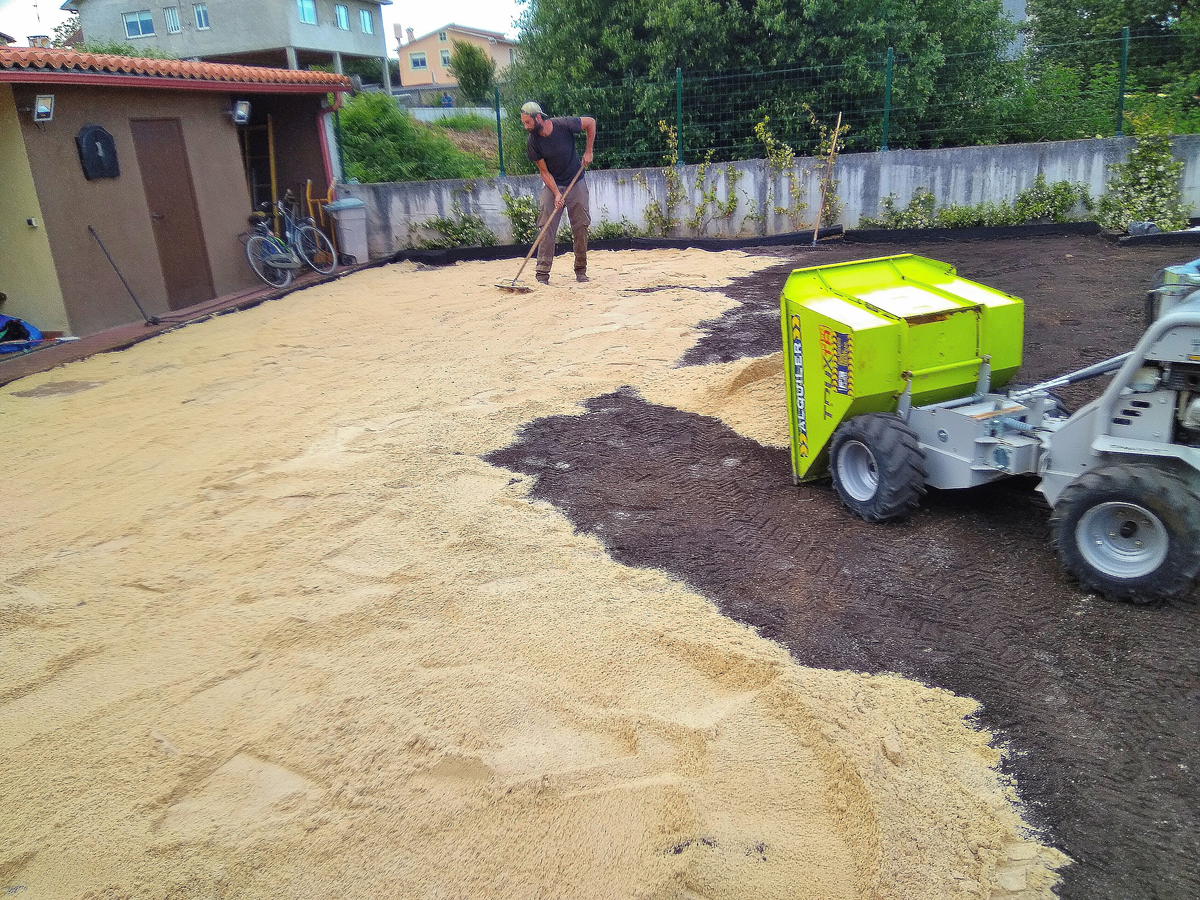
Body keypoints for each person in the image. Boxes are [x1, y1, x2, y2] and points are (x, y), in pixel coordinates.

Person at [520, 101, 596, 284]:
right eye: (524, 123)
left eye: (528, 122)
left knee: (581, 226)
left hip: (576, 181)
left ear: (538, 118)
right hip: (553, 184)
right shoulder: (533, 142)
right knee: (546, 225)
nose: (526, 127)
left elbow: (590, 122)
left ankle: (580, 270)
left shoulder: (563, 124)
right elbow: (544, 172)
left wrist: (588, 151)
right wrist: (556, 193)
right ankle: (542, 274)